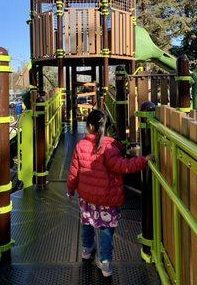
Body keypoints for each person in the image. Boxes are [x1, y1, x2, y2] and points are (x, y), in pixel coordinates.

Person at [67, 109, 153, 278]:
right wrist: (143, 160)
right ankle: (105, 263)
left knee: (87, 222)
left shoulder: (80, 145)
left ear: (90, 126)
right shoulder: (109, 147)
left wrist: (71, 190)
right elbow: (123, 166)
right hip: (108, 197)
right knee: (106, 229)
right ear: (104, 127)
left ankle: (86, 249)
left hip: (87, 196)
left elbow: (74, 172)